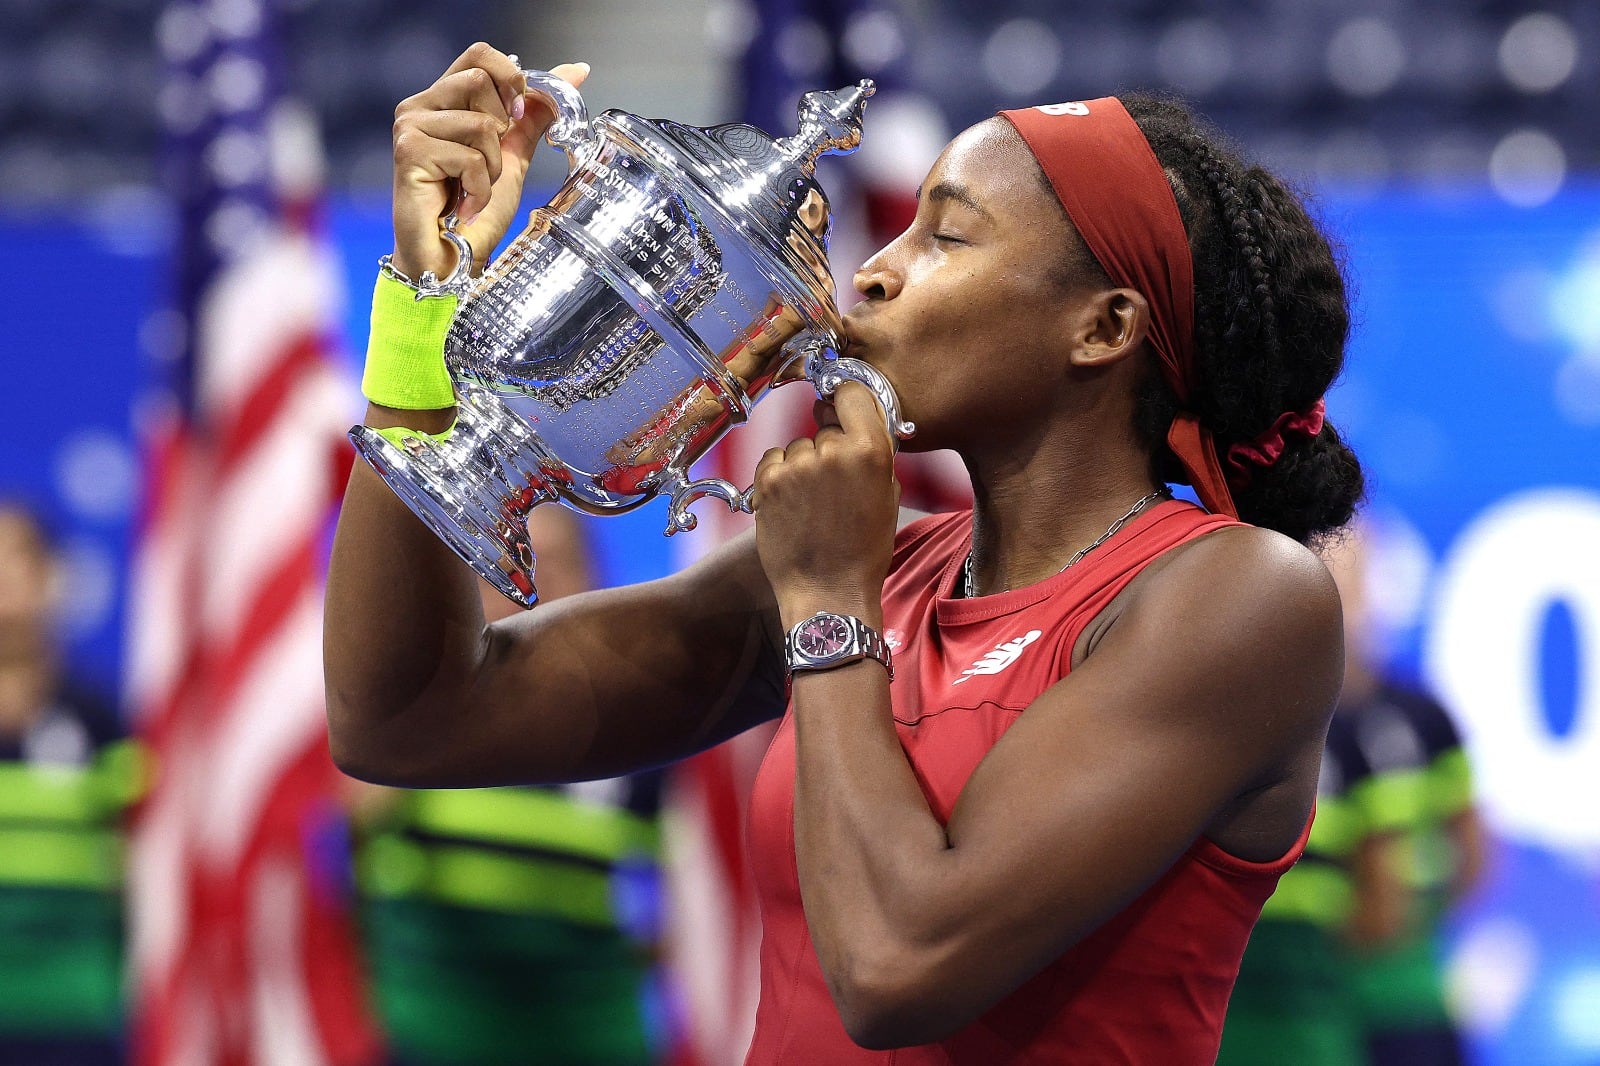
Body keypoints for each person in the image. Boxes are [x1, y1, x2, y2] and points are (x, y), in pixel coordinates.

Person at [325, 44, 1364, 1063]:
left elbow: (897, 967)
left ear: (1103, 327)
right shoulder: (879, 566)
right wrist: (423, 311)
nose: (871, 272)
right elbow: (409, 722)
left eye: (945, 237)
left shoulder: (1239, 596)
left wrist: (826, 598)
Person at [346, 506, 665, 1066]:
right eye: (510, 566)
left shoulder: (650, 737)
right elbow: (329, 878)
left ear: (596, 585)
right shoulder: (408, 729)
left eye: (556, 565)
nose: (531, 592)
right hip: (432, 1047)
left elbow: (675, 920)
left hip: (600, 1046)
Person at [1326, 531, 1485, 1066]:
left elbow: (1474, 853)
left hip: (1411, 1002)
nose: (1338, 591)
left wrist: (1406, 931)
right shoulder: (1270, 724)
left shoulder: (1423, 717)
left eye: (1350, 573)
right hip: (1310, 1011)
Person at [0, 501, 142, 1065]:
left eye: (16, 559)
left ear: (51, 579)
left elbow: (142, 873)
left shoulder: (107, 725)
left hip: (80, 1028)